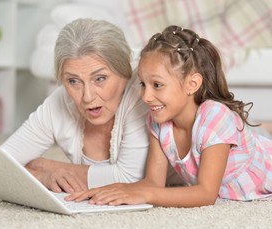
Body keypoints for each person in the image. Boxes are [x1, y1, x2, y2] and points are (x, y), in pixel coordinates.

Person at [66, 25, 272, 207]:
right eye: (143, 84)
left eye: (157, 85)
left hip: (265, 166)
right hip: (237, 142)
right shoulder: (159, 121)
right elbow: (153, 183)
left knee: (259, 133)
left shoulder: (215, 117)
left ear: (192, 84)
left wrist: (147, 195)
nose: (146, 97)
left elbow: (206, 194)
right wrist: (109, 190)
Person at [1, 18, 158, 194]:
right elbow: (1, 163)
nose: (87, 97)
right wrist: (42, 178)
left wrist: (49, 166)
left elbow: (130, 179)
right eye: (73, 81)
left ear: (125, 71)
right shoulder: (61, 100)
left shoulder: (144, 89)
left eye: (100, 78)